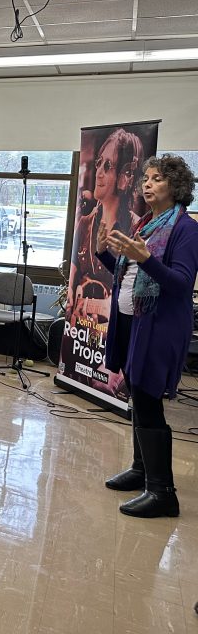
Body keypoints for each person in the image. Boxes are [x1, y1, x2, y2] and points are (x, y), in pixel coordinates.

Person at [97, 154, 198, 519]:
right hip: (134, 322)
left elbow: (181, 284)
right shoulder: (147, 223)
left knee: (149, 399)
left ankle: (162, 492)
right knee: (138, 396)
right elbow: (128, 275)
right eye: (146, 178)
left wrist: (144, 258)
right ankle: (142, 471)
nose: (147, 184)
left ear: (176, 187)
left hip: (162, 325)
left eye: (157, 178)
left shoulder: (186, 229)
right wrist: (104, 254)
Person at [69, 127, 144, 317]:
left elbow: (132, 281)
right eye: (99, 163)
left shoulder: (137, 229)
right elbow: (73, 280)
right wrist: (72, 298)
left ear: (125, 176)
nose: (99, 172)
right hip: (81, 330)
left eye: (108, 166)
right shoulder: (84, 223)